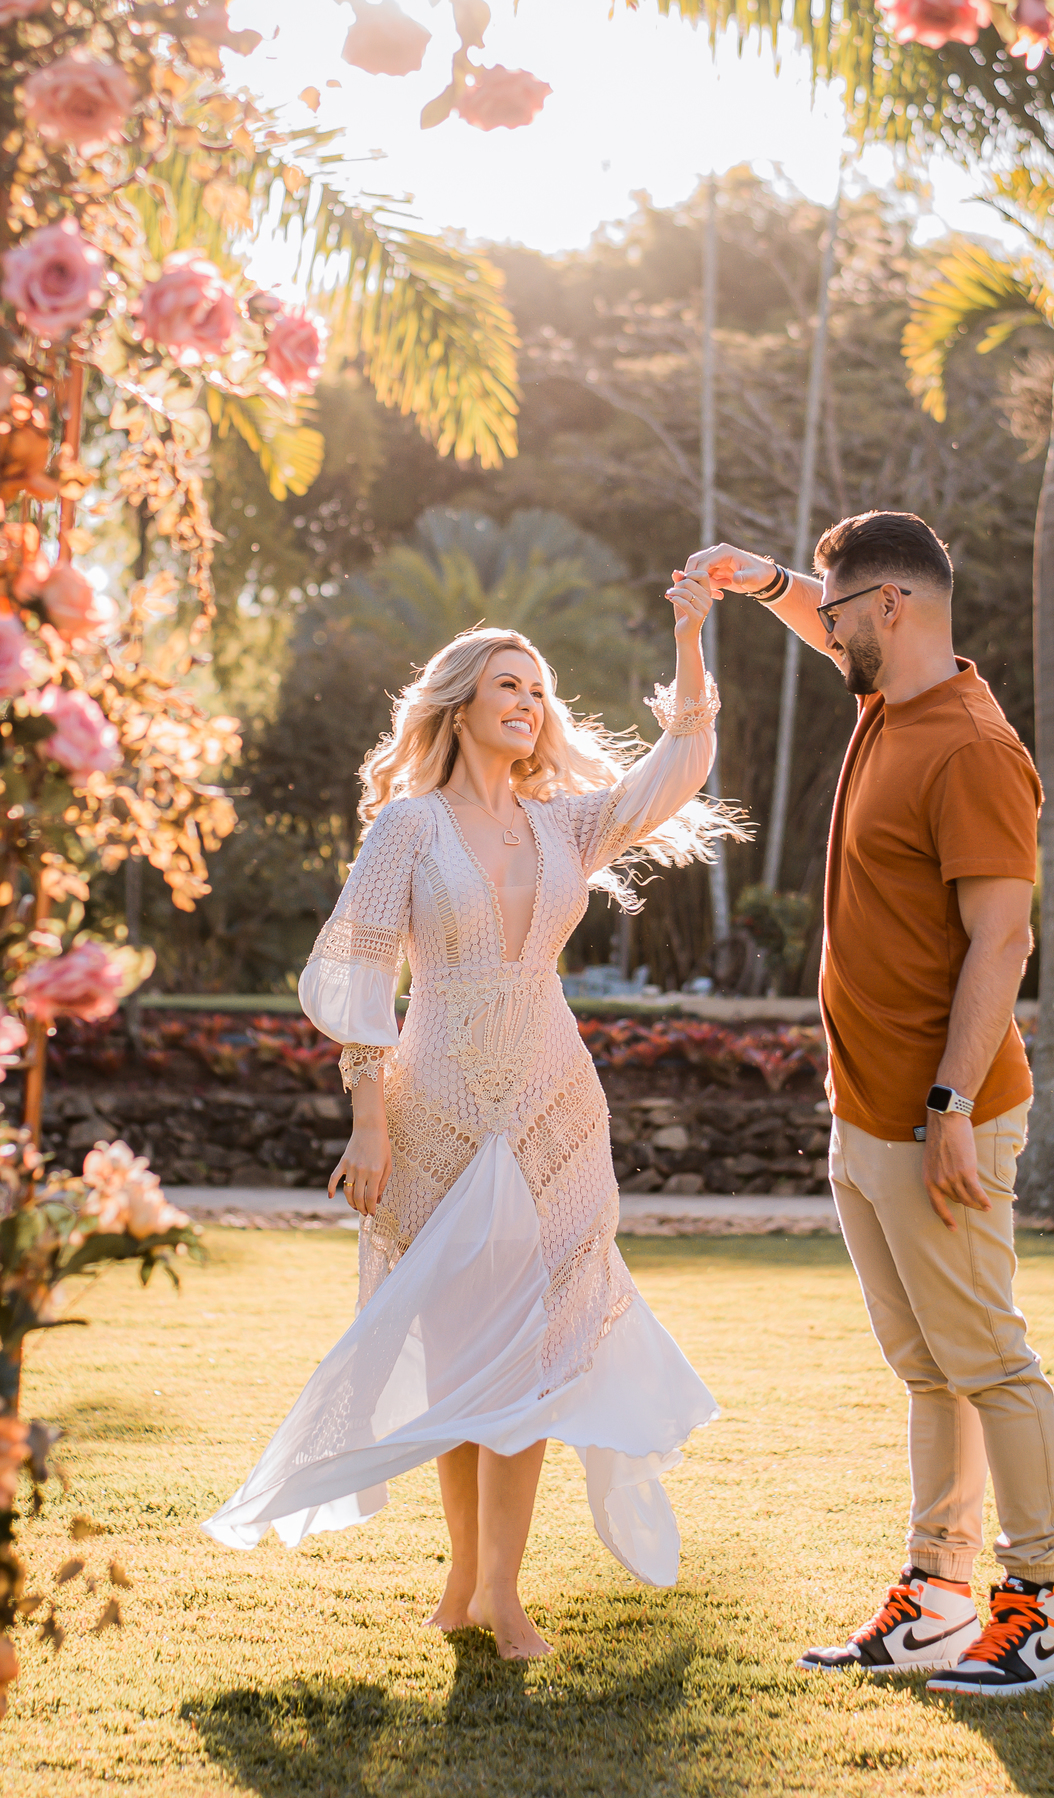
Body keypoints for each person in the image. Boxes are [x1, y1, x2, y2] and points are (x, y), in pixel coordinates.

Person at [203, 578, 744, 1661]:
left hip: (553, 1104)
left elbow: (681, 762)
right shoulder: (407, 828)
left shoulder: (563, 824)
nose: (530, 705)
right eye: (509, 686)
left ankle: (501, 1593)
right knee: (462, 1353)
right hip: (437, 1106)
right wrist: (368, 1123)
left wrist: (689, 635)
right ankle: (465, 1580)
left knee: (533, 1351)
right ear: (458, 705)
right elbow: (360, 979)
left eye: (539, 691)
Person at [684, 513, 1054, 1698]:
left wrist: (951, 1102)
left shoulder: (971, 747)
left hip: (939, 1115)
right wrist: (763, 581)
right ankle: (938, 1595)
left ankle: (1038, 1608)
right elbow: (824, 618)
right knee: (930, 1367)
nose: (831, 632)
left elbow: (1003, 940)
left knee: (988, 1358)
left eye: (843, 613)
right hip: (867, 1113)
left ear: (893, 608)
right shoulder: (890, 703)